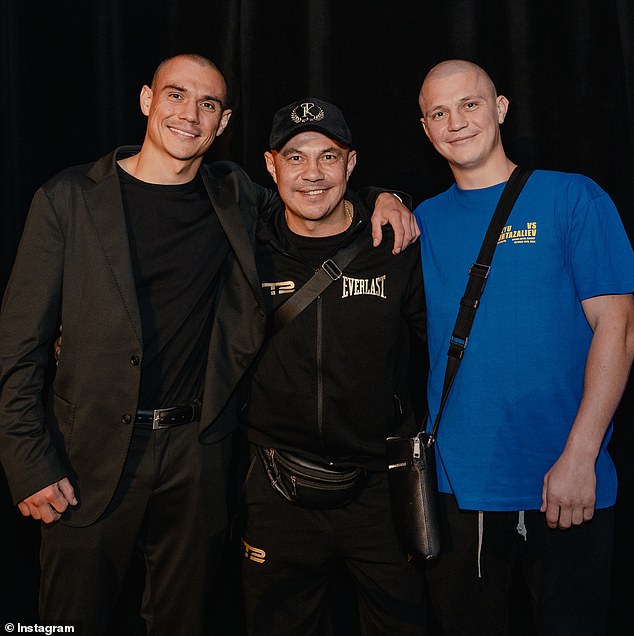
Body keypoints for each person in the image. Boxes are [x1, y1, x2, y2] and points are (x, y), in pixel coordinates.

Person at [0, 54, 416, 635]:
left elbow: (317, 198)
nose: (190, 114)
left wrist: (383, 196)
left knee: (181, 622)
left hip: (198, 455)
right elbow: (20, 347)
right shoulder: (67, 199)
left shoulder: (235, 196)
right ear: (146, 100)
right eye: (176, 95)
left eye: (209, 104)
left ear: (222, 125)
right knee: (66, 622)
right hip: (85, 456)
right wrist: (28, 463)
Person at [413, 59, 634, 635]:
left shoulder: (573, 199)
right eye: (439, 112)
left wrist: (581, 456)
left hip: (567, 481)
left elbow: (620, 329)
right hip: (460, 487)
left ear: (501, 108)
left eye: (469, 104)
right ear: (425, 129)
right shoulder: (421, 222)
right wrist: (381, 198)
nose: (456, 121)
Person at [239, 98, 428, 635]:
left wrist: (390, 199)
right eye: (295, 157)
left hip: (377, 490)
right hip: (276, 487)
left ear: (351, 164)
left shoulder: (392, 244)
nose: (312, 174)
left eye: (328, 156)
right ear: (271, 165)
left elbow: (439, 348)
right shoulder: (248, 244)